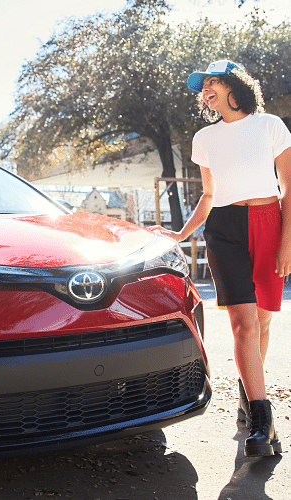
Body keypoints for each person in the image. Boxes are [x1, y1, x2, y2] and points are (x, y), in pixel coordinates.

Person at [150, 60, 291, 457]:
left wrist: (287, 244)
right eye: (202, 86)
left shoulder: (270, 126)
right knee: (244, 326)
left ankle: (250, 395)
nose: (205, 90)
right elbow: (209, 195)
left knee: (262, 321)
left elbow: (289, 190)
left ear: (234, 85)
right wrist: (181, 233)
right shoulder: (204, 138)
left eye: (212, 82)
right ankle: (263, 421)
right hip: (224, 229)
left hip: (268, 223)